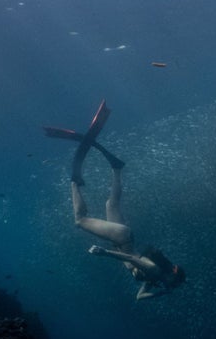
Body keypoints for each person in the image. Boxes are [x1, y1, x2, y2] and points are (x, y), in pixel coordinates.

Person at [44, 100, 185, 300]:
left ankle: (117, 169)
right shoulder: (154, 271)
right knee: (80, 220)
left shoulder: (154, 279)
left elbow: (139, 296)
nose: (173, 286)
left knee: (111, 204)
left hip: (125, 238)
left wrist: (161, 291)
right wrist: (104, 253)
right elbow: (129, 258)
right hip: (121, 240)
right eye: (175, 283)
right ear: (172, 275)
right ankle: (75, 182)